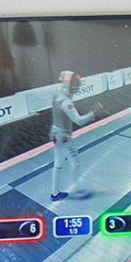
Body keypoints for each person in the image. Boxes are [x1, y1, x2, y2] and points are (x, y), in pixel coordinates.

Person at [48, 70, 94, 200]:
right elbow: (78, 121)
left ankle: (54, 193)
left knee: (58, 165)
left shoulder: (56, 97)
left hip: (56, 135)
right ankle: (77, 190)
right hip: (64, 138)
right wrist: (93, 113)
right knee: (76, 163)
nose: (76, 88)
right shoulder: (65, 102)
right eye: (75, 85)